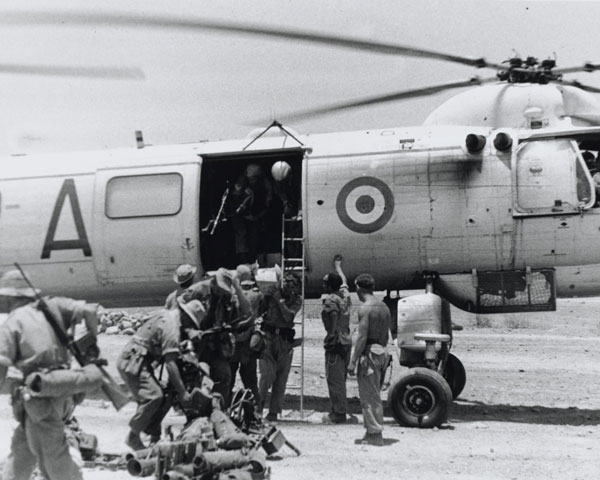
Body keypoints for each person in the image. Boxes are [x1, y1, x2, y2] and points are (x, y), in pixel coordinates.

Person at [0, 269, 103, 480]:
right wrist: (92, 345)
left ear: (10, 297)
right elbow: (92, 310)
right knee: (21, 450)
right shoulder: (53, 307)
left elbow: (1, 365)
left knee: (55, 459)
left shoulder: (13, 322)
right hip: (60, 391)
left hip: (40, 400)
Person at [117, 298, 205, 450]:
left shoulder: (169, 317)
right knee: (154, 396)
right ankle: (133, 436)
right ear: (185, 316)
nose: (189, 328)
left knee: (164, 394)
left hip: (140, 361)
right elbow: (170, 364)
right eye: (190, 323)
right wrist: (183, 393)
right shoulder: (171, 327)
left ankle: (154, 437)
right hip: (133, 362)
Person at [181, 267, 252, 407]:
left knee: (224, 376)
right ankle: (193, 409)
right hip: (195, 345)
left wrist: (237, 287)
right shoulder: (197, 291)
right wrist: (190, 330)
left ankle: (219, 411)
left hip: (216, 346)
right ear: (213, 282)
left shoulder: (226, 296)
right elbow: (178, 308)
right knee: (196, 376)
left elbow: (246, 310)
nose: (221, 291)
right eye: (220, 288)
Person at [348, 273, 390, 447]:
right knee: (375, 393)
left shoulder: (365, 308)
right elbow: (386, 334)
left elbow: (362, 337)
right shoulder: (384, 307)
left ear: (358, 287)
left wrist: (353, 361)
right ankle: (370, 431)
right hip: (382, 351)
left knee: (369, 395)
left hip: (370, 352)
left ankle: (375, 433)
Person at [258, 271, 302, 422]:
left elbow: (288, 316)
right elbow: (259, 310)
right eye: (286, 280)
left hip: (284, 341)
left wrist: (279, 300)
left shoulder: (297, 300)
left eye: (292, 283)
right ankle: (258, 408)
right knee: (267, 375)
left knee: (281, 379)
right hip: (268, 338)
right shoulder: (270, 296)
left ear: (297, 288)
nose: (288, 284)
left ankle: (273, 413)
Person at [321, 258, 354, 424]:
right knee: (341, 378)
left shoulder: (330, 301)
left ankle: (338, 414)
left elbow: (333, 315)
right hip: (347, 340)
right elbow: (345, 283)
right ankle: (339, 408)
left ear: (328, 286)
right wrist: (338, 267)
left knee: (334, 379)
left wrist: (331, 334)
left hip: (336, 342)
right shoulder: (344, 297)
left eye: (324, 284)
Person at [227, 265, 264, 406]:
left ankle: (225, 409)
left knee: (228, 380)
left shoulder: (232, 296)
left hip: (233, 343)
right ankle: (256, 408)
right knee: (250, 380)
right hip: (248, 343)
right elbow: (261, 312)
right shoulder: (257, 295)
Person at [229, 163, 273, 264]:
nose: (251, 181)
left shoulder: (266, 186)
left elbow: (267, 206)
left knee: (254, 237)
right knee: (241, 235)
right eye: (249, 179)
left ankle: (253, 261)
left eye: (253, 179)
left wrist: (256, 217)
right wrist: (243, 194)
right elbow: (235, 200)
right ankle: (243, 261)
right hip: (241, 214)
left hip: (256, 214)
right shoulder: (242, 181)